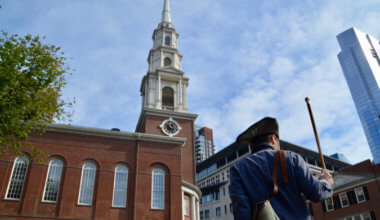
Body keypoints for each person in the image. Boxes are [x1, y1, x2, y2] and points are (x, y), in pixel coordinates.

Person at [229, 117, 334, 220]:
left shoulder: (238, 169)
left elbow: (241, 213)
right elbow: (316, 193)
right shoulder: (292, 158)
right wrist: (326, 181)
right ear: (273, 139)